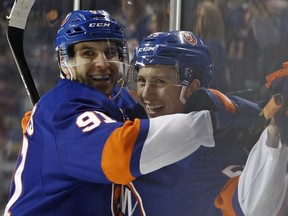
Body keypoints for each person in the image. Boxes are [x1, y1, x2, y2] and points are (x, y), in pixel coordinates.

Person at [3, 10, 229, 216]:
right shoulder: (64, 108)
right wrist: (213, 122)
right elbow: (119, 156)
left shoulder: (111, 101)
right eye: (88, 53)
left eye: (110, 52)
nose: (103, 63)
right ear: (65, 63)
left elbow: (150, 108)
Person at [122, 30, 288, 216]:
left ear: (192, 88)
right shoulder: (128, 126)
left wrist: (274, 132)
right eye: (142, 81)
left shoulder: (211, 152)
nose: (146, 94)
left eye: (159, 81)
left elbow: (251, 209)